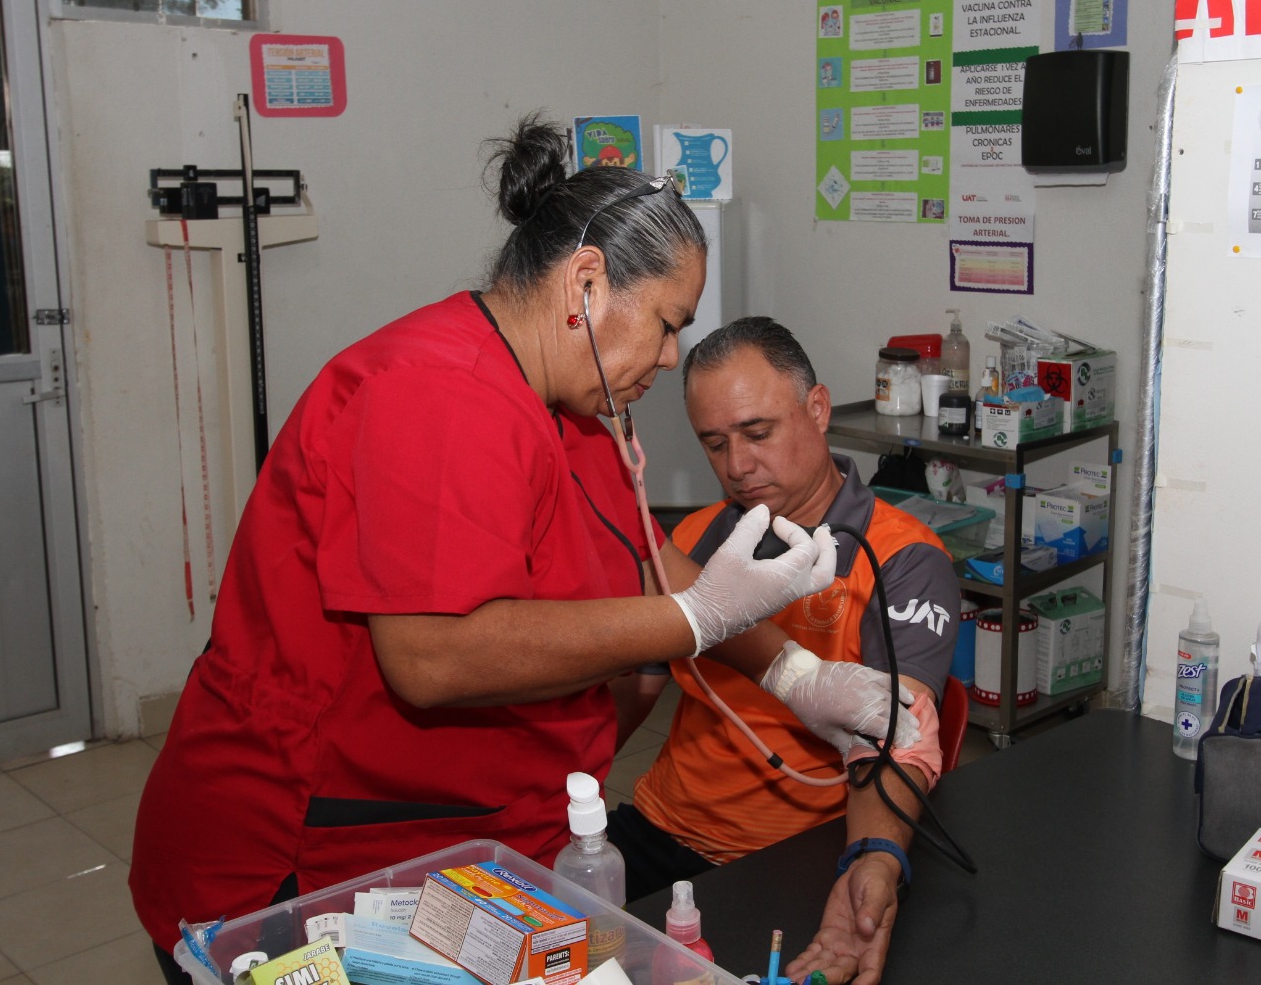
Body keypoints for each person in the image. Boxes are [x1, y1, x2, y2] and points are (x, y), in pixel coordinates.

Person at [130, 119, 912, 982]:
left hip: (478, 841)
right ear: (585, 282)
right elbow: (430, 656)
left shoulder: (567, 409)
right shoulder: (437, 395)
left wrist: (799, 678)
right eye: (664, 323)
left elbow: (654, 564)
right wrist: (690, 622)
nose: (667, 355)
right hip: (313, 854)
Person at [607, 317, 961, 985]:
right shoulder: (699, 537)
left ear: (818, 410)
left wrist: (876, 856)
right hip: (659, 826)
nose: (737, 466)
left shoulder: (902, 559)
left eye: (758, 433)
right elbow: (638, 687)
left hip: (791, 853)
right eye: (715, 444)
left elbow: (897, 737)